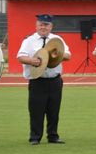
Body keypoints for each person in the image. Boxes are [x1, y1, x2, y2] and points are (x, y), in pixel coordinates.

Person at [17, 14, 71, 145]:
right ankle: (35, 137)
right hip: (38, 80)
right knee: (36, 110)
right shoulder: (29, 40)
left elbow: (68, 55)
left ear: (51, 26)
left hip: (54, 80)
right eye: (41, 24)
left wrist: (58, 54)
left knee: (54, 110)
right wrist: (32, 60)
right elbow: (20, 57)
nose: (43, 27)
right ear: (36, 26)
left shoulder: (57, 39)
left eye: (46, 25)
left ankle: (53, 136)